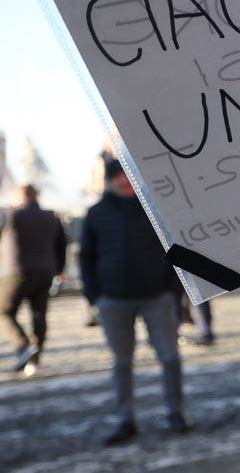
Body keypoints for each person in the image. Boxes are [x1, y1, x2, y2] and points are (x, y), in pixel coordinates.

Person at [81, 158, 190, 446]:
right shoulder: (96, 213)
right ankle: (125, 419)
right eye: (117, 176)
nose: (123, 181)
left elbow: (174, 250)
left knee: (169, 357)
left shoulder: (155, 211)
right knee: (122, 363)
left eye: (126, 175)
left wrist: (172, 290)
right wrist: (95, 296)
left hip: (157, 297)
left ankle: (175, 412)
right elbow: (86, 258)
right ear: (110, 180)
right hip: (114, 300)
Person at [0, 185, 67, 376]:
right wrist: (60, 270)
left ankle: (23, 347)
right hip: (46, 271)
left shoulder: (10, 215)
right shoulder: (51, 216)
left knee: (4, 312)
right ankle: (34, 359)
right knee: (39, 314)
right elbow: (61, 245)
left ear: (20, 196)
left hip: (16, 271)